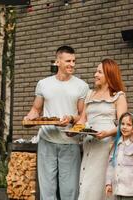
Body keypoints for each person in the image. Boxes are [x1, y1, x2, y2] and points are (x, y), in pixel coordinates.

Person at [24, 45, 89, 200]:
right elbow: (36, 109)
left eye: (74, 61)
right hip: (46, 141)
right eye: (68, 61)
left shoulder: (82, 86)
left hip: (70, 142)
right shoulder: (43, 84)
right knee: (47, 191)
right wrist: (28, 118)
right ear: (57, 62)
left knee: (69, 191)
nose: (72, 64)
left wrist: (72, 120)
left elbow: (83, 116)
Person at [76, 58, 128, 200]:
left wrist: (106, 133)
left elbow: (124, 125)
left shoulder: (118, 96)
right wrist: (73, 131)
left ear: (109, 75)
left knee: (97, 185)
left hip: (106, 147)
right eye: (96, 71)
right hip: (89, 144)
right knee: (86, 182)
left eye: (99, 72)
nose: (95, 74)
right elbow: (82, 120)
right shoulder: (90, 95)